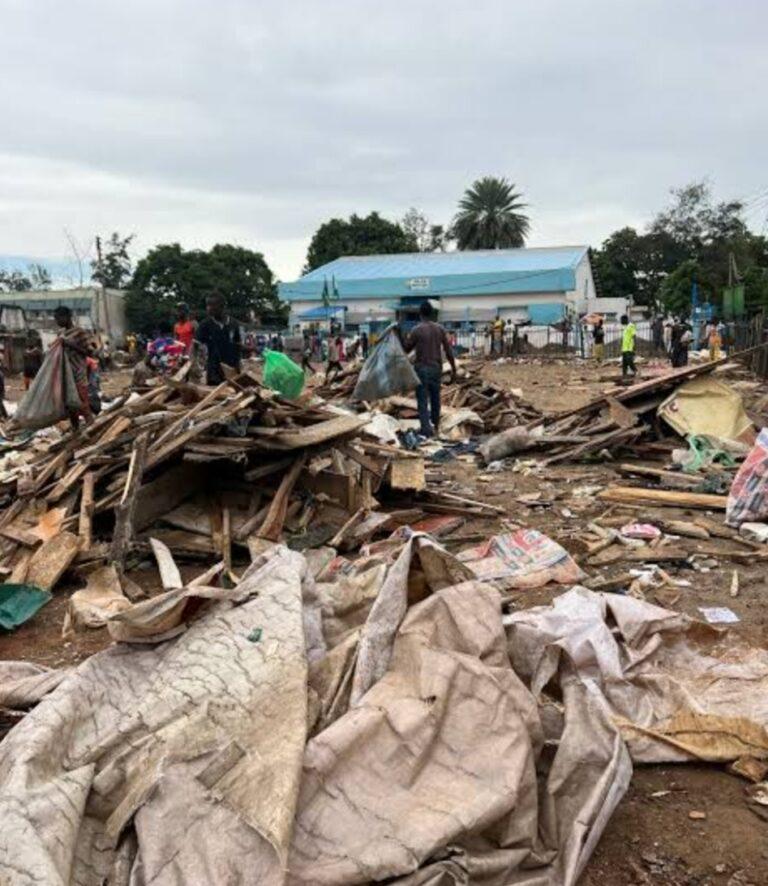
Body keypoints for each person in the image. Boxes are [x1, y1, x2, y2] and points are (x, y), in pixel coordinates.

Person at [403, 301, 457, 439]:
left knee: (422, 400)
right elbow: (448, 350)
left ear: (420, 314)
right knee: (435, 398)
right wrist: (453, 368)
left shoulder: (416, 330)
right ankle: (436, 426)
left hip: (421, 368)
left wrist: (401, 338)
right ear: (432, 314)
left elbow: (406, 348)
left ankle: (426, 430)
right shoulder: (440, 329)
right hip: (436, 368)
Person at [54, 305, 93, 429]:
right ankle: (75, 431)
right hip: (66, 374)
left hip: (78, 373)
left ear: (67, 317)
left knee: (83, 403)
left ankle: (92, 428)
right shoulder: (60, 333)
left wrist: (70, 344)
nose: (57, 321)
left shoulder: (79, 332)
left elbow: (89, 352)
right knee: (70, 406)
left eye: (58, 318)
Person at [195, 292, 242, 385]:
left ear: (222, 306)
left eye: (211, 305)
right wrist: (193, 365)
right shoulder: (205, 325)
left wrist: (238, 364)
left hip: (231, 369)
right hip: (214, 370)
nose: (208, 308)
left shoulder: (234, 324)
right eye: (207, 305)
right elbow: (195, 345)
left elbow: (238, 344)